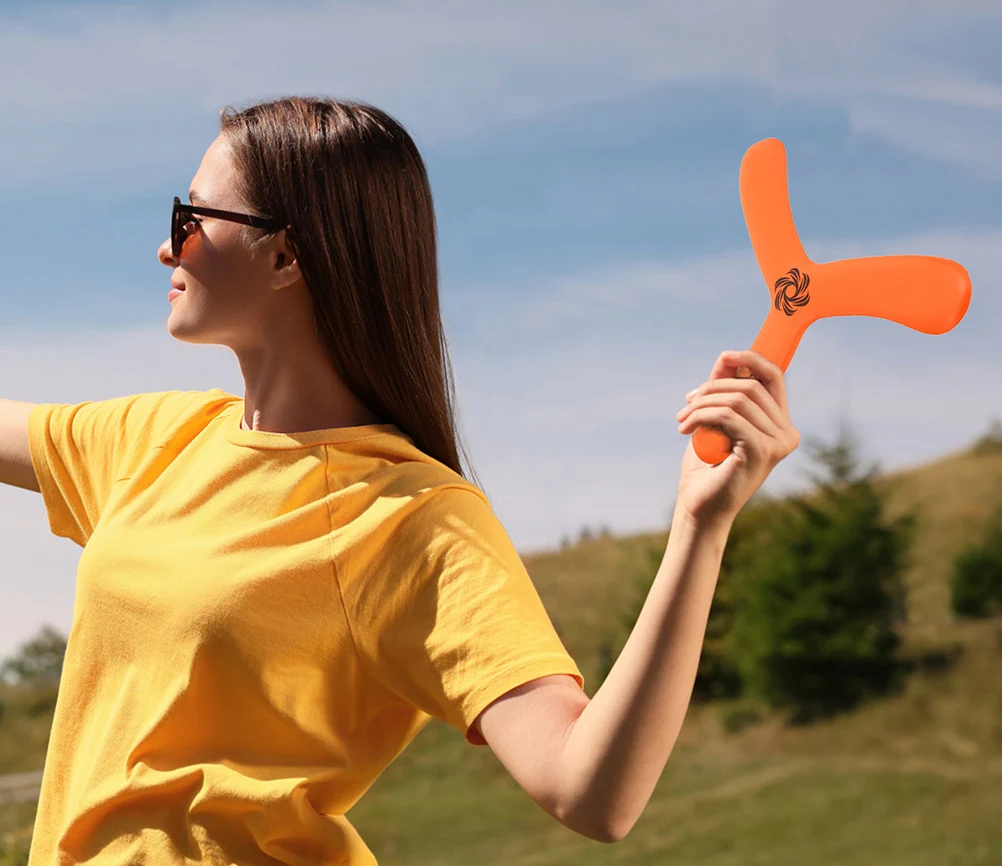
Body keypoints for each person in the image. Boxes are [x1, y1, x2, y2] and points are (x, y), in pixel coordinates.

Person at [0, 96, 799, 865]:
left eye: (193, 219)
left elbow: (591, 792)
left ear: (285, 256)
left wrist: (701, 528)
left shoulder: (412, 518)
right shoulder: (154, 439)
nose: (168, 248)